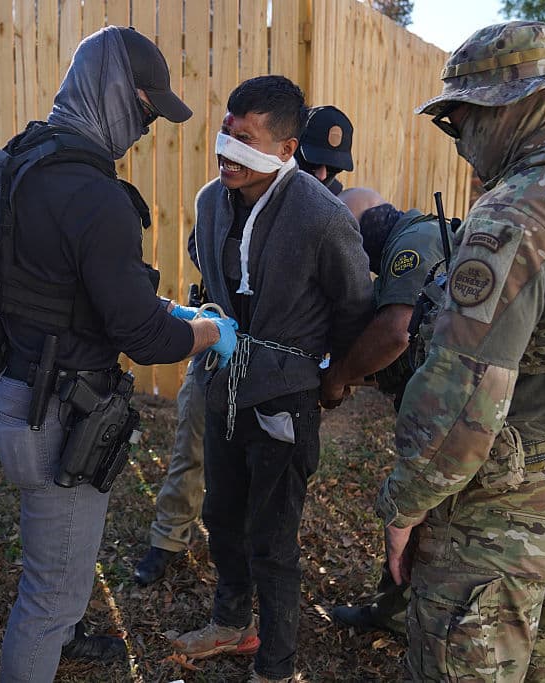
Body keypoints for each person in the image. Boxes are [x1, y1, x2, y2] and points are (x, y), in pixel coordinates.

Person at [0, 27, 237, 683]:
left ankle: (64, 632)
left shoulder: (17, 161)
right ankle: (48, 638)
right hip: (59, 414)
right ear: (118, 94)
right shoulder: (97, 197)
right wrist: (205, 329)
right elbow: (144, 337)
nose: (145, 128)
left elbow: (43, 281)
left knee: (55, 554)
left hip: (15, 386)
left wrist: (158, 303)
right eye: (146, 110)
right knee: (46, 588)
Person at [374, 21, 545, 680]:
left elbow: (464, 400)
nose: (460, 142)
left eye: (459, 121)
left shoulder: (518, 210)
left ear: (502, 105)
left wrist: (403, 506)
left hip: (502, 504)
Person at [171, 76, 373, 683]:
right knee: (221, 515)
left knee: (274, 537)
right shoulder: (211, 201)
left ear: (287, 149)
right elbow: (205, 259)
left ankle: (277, 665)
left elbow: (355, 306)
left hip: (286, 395)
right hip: (221, 383)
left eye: (247, 139)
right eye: (226, 134)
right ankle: (232, 622)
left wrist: (330, 379)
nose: (229, 150)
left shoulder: (322, 216)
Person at [132, 104, 380, 587]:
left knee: (266, 484)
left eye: (334, 168)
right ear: (290, 151)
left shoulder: (323, 211)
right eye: (315, 162)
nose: (323, 174)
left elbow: (349, 300)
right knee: (193, 444)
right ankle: (168, 540)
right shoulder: (234, 194)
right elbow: (198, 248)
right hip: (218, 353)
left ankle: (247, 568)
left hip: (279, 377)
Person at [318, 200, 448, 637]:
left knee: (424, 508)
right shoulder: (430, 232)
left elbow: (396, 331)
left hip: (446, 411)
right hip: (451, 401)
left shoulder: (410, 245)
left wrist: (338, 378)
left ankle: (410, 616)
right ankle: (394, 608)